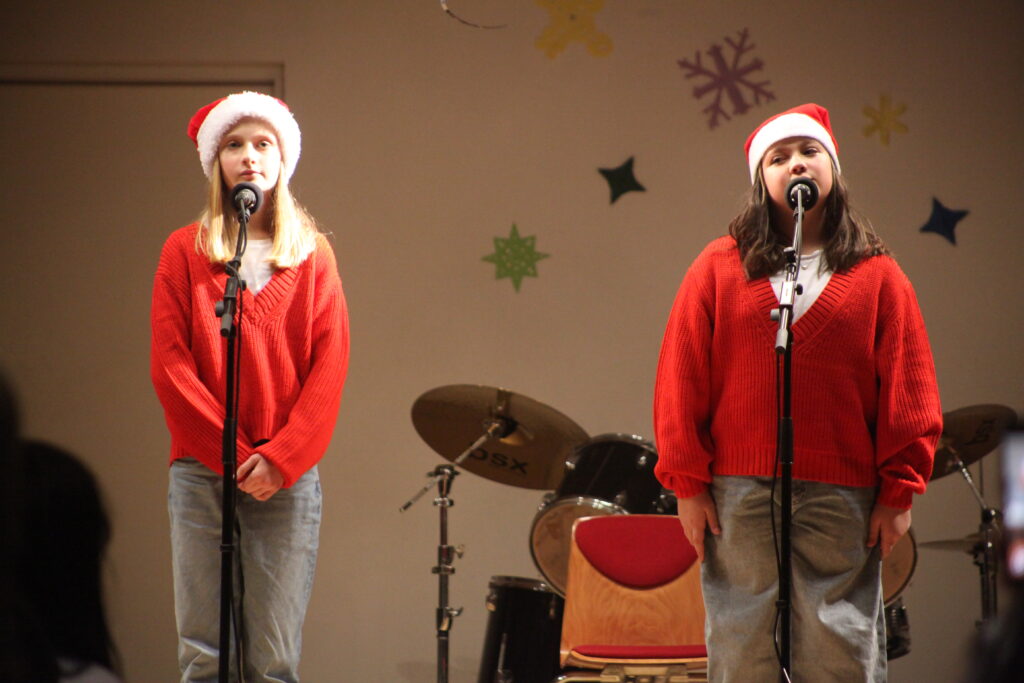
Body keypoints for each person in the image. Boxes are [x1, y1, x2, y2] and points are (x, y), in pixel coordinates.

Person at [652, 103, 942, 682]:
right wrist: (687, 482)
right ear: (761, 179)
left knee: (841, 644)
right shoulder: (717, 266)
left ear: (833, 168)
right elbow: (681, 376)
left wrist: (899, 490)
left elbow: (909, 385)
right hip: (739, 489)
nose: (796, 165)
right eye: (779, 158)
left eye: (810, 152)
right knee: (742, 641)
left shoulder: (878, 275)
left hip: (843, 491)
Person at [151, 91, 350, 682]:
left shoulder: (312, 256)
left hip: (284, 479)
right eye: (234, 145)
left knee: (273, 661)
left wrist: (280, 459)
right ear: (216, 161)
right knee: (204, 656)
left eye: (263, 144)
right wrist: (235, 457)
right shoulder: (183, 252)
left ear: (282, 160)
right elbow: (170, 365)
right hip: (201, 473)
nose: (249, 156)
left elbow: (329, 366)